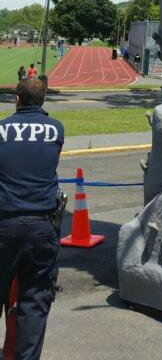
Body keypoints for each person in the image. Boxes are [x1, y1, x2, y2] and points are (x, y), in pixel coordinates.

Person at [0, 78, 64, 359]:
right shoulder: (56, 129)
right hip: (42, 225)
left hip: (5, 222)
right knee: (34, 302)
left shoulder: (1, 129)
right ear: (43, 100)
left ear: (17, 99)